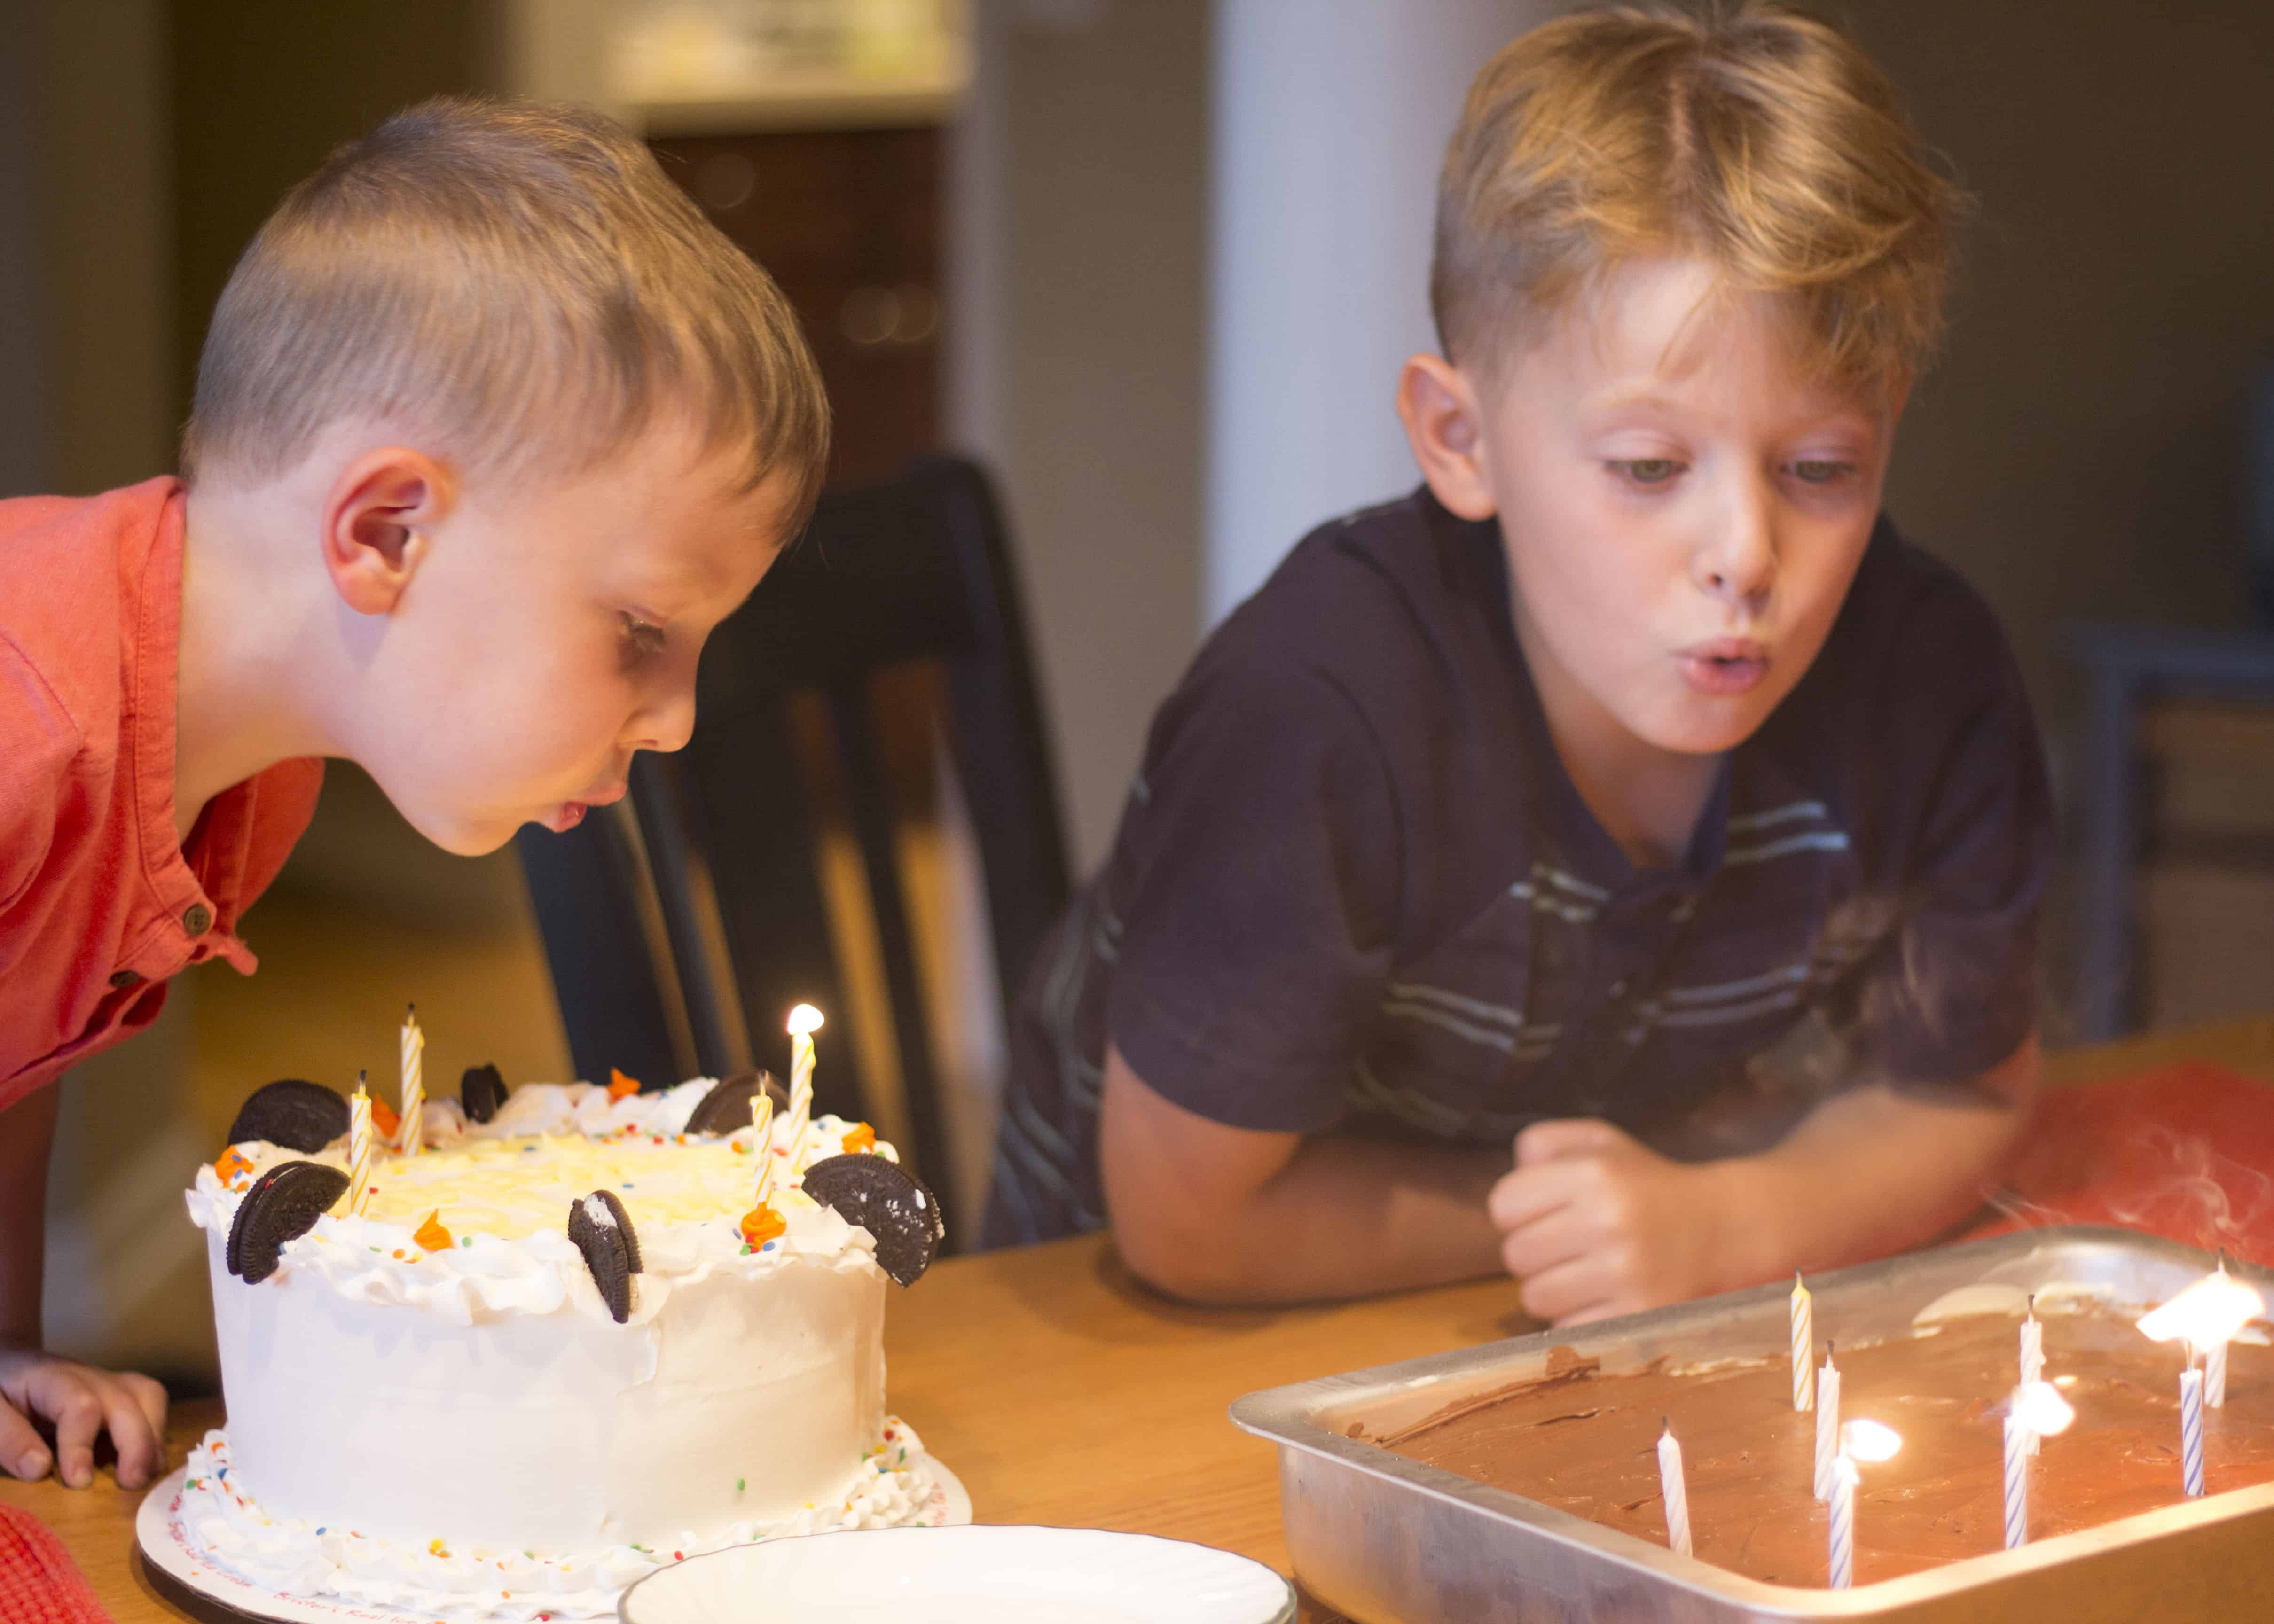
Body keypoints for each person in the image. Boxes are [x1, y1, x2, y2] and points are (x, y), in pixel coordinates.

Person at [988, 3, 2053, 1321]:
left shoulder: (1927, 680)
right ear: (1460, 438)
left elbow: (1969, 1086)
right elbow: (1189, 1224)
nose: (1745, 554)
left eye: (1821, 470)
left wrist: (1729, 1221)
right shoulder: (1320, 710)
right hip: (1125, 1343)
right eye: (1650, 468)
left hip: (1553, 1333)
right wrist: (1638, 1211)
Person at [0, 98, 827, 1490]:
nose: (677, 719)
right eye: (641, 630)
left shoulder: (246, 790)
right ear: (387, 533)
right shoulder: (32, 732)